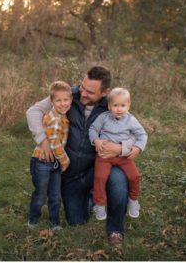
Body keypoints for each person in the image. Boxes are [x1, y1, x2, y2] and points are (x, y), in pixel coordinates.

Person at [27, 66, 137, 246]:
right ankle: (93, 198)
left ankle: (115, 230)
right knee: (76, 220)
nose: (82, 93)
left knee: (118, 179)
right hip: (70, 174)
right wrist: (43, 140)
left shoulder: (111, 104)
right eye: (82, 86)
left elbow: (132, 130)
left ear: (104, 92)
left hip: (96, 167)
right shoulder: (68, 96)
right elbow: (33, 111)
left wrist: (120, 149)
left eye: (90, 91)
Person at [89, 87, 148, 220]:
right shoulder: (103, 117)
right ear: (109, 106)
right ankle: (99, 204)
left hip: (123, 156)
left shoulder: (131, 120)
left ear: (128, 105)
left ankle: (133, 201)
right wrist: (96, 140)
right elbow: (93, 129)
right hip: (104, 156)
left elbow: (142, 135)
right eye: (115, 105)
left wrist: (138, 148)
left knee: (135, 176)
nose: (119, 109)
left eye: (123, 105)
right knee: (100, 177)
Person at [27, 81, 72, 231]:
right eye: (58, 100)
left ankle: (54, 222)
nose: (63, 103)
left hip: (54, 163)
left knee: (55, 195)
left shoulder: (63, 117)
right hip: (42, 161)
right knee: (41, 194)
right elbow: (54, 143)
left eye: (66, 100)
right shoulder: (54, 119)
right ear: (51, 102)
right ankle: (33, 220)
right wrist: (65, 161)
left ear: (71, 100)